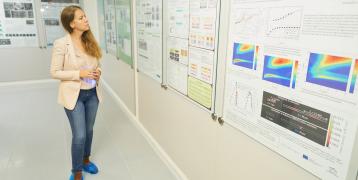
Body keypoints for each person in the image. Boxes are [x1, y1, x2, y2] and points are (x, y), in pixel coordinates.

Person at [50, 5, 102, 180]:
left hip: (92, 93)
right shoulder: (61, 44)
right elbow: (55, 72)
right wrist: (79, 74)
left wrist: (97, 73)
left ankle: (86, 160)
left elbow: (96, 65)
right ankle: (77, 170)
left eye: (85, 16)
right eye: (81, 18)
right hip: (74, 95)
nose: (86, 19)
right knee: (79, 135)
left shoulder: (90, 40)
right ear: (71, 24)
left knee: (89, 130)